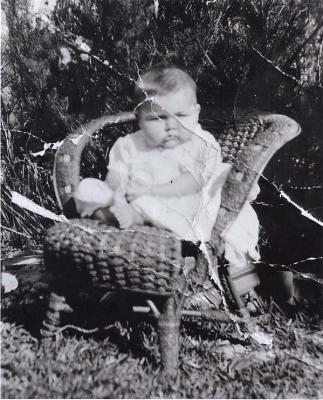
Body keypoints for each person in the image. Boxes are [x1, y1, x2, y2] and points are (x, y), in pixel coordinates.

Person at [74, 64, 260, 269]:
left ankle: (135, 218)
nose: (171, 125)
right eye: (157, 117)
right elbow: (115, 176)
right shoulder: (129, 145)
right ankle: (113, 216)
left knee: (218, 179)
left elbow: (192, 183)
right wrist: (115, 195)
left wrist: (148, 192)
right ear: (140, 120)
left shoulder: (202, 143)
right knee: (89, 189)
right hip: (136, 200)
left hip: (189, 205)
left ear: (196, 113)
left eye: (181, 115)